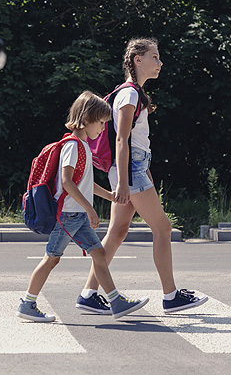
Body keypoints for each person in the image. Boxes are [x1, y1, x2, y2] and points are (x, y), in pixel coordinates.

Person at [75, 38, 208, 315]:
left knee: (118, 231)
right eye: (155, 57)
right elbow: (122, 139)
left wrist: (140, 171)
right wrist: (125, 182)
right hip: (129, 170)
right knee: (163, 229)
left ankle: (88, 294)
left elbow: (133, 140)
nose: (160, 63)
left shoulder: (133, 94)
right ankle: (171, 296)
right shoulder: (130, 94)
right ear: (138, 59)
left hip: (134, 168)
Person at [17, 91, 149, 322]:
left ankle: (116, 302)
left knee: (99, 254)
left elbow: (84, 183)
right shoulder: (73, 145)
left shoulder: (83, 146)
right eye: (100, 123)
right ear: (86, 119)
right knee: (52, 259)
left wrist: (108, 195)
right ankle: (28, 303)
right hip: (68, 215)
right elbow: (67, 182)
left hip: (75, 215)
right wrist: (90, 208)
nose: (102, 129)